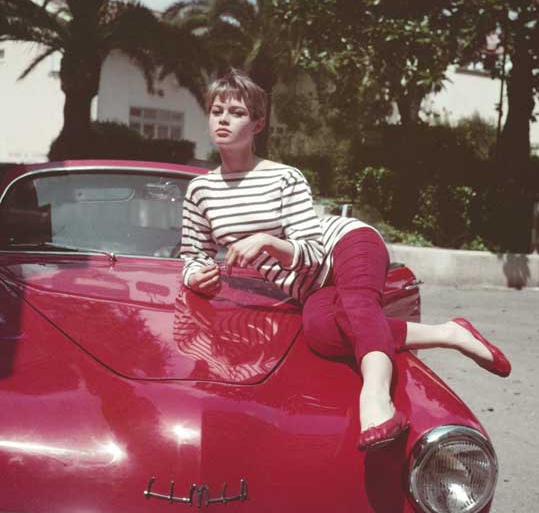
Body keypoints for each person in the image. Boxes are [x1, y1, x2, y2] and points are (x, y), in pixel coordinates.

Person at [180, 69, 511, 451]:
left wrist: (268, 242)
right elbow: (192, 255)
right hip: (310, 287)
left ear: (257, 124)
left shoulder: (285, 178)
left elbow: (313, 251)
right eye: (217, 111)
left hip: (345, 243)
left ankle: (376, 400)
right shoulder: (201, 190)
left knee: (357, 305)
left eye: (236, 112)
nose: (223, 119)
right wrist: (197, 277)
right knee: (321, 333)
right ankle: (450, 333)